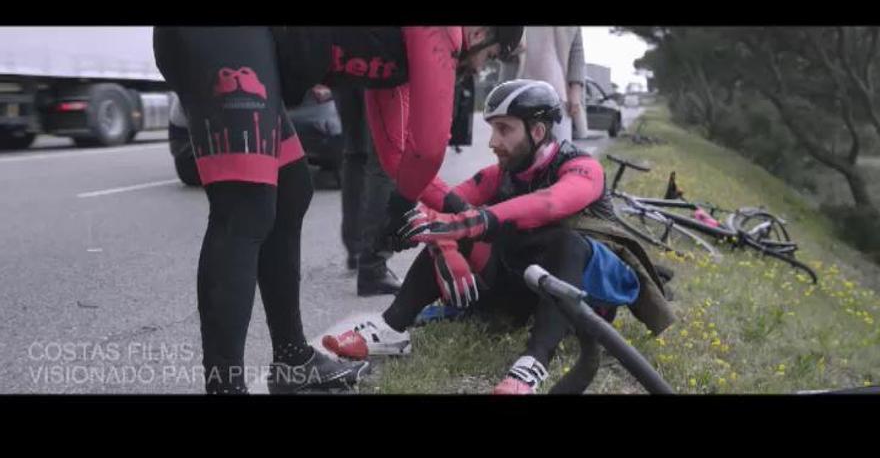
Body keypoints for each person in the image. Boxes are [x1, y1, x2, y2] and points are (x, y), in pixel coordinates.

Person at [152, 26, 524, 394]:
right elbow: (427, 148)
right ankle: (225, 388)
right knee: (246, 207)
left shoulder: (405, 50)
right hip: (222, 37)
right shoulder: (441, 33)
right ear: (479, 34)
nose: (480, 67)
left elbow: (398, 152)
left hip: (244, 43)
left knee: (291, 190)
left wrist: (463, 213)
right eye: (490, 56)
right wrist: (404, 204)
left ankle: (292, 362)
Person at [322, 80, 645, 395]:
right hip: (527, 291)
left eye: (504, 129)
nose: (492, 141)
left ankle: (534, 362)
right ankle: (392, 327)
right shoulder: (502, 173)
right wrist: (443, 241)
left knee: (567, 243)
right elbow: (444, 206)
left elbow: (549, 203)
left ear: (537, 131)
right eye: (492, 129)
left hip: (585, 297)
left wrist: (470, 223)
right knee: (455, 228)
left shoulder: (582, 168)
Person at [333, 83, 402, 296]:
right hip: (380, 66)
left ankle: (356, 249)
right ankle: (373, 264)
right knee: (383, 157)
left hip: (347, 65)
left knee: (355, 154)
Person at [501, 27, 589, 141]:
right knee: (519, 151)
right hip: (519, 95)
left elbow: (577, 52)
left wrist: (576, 91)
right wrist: (511, 45)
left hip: (559, 97)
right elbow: (499, 45)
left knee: (559, 150)